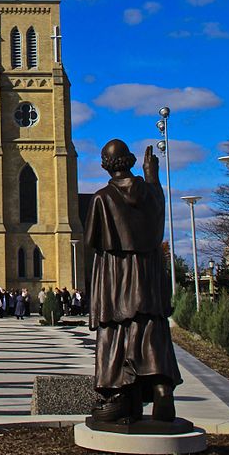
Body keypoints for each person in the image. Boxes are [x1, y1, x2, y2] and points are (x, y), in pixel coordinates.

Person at [85, 139, 182, 424]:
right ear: (129, 160)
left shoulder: (102, 197)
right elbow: (158, 208)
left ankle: (123, 395)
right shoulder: (151, 194)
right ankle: (161, 387)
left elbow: (91, 238)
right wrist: (152, 175)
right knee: (152, 330)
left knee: (118, 332)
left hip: (119, 279)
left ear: (105, 164)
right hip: (148, 279)